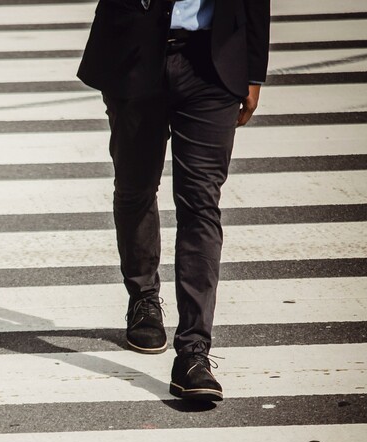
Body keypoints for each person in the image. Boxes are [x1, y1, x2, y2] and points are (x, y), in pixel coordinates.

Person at [77, 0, 270, 401]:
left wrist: (253, 69)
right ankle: (144, 297)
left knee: (200, 204)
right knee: (135, 187)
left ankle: (194, 352)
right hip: (135, 51)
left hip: (213, 63)